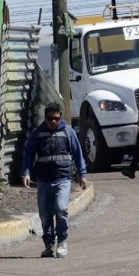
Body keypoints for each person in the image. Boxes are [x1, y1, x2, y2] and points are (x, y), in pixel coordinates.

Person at [21, 103, 88, 258]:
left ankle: (62, 241)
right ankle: (48, 244)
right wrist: (27, 173)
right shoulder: (37, 133)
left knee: (61, 208)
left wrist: (82, 175)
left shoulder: (68, 132)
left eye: (56, 119)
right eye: (50, 118)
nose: (53, 122)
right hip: (44, 180)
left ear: (60, 118)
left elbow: (78, 154)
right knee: (45, 214)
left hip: (63, 179)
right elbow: (29, 155)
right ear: (45, 118)